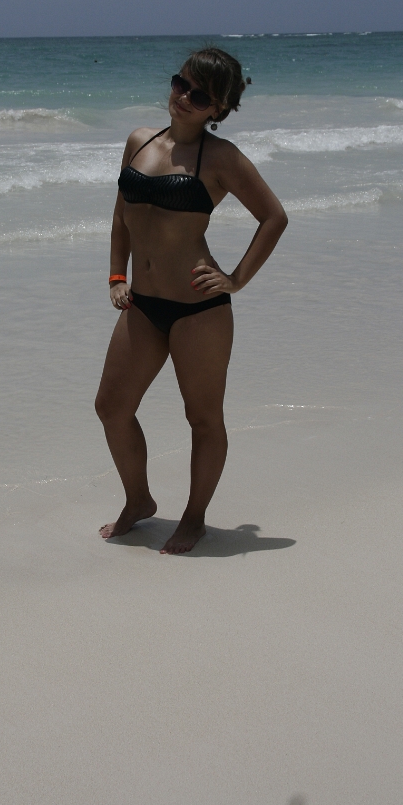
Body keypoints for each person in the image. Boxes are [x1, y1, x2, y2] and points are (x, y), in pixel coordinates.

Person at [95, 47, 288, 554]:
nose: (183, 97)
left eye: (199, 96)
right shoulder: (139, 140)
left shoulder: (221, 158)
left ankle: (195, 517)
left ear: (218, 109)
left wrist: (236, 279)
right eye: (181, 83)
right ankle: (139, 500)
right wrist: (116, 275)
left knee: (202, 419)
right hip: (142, 304)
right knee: (111, 407)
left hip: (199, 310)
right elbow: (121, 215)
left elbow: (274, 217)